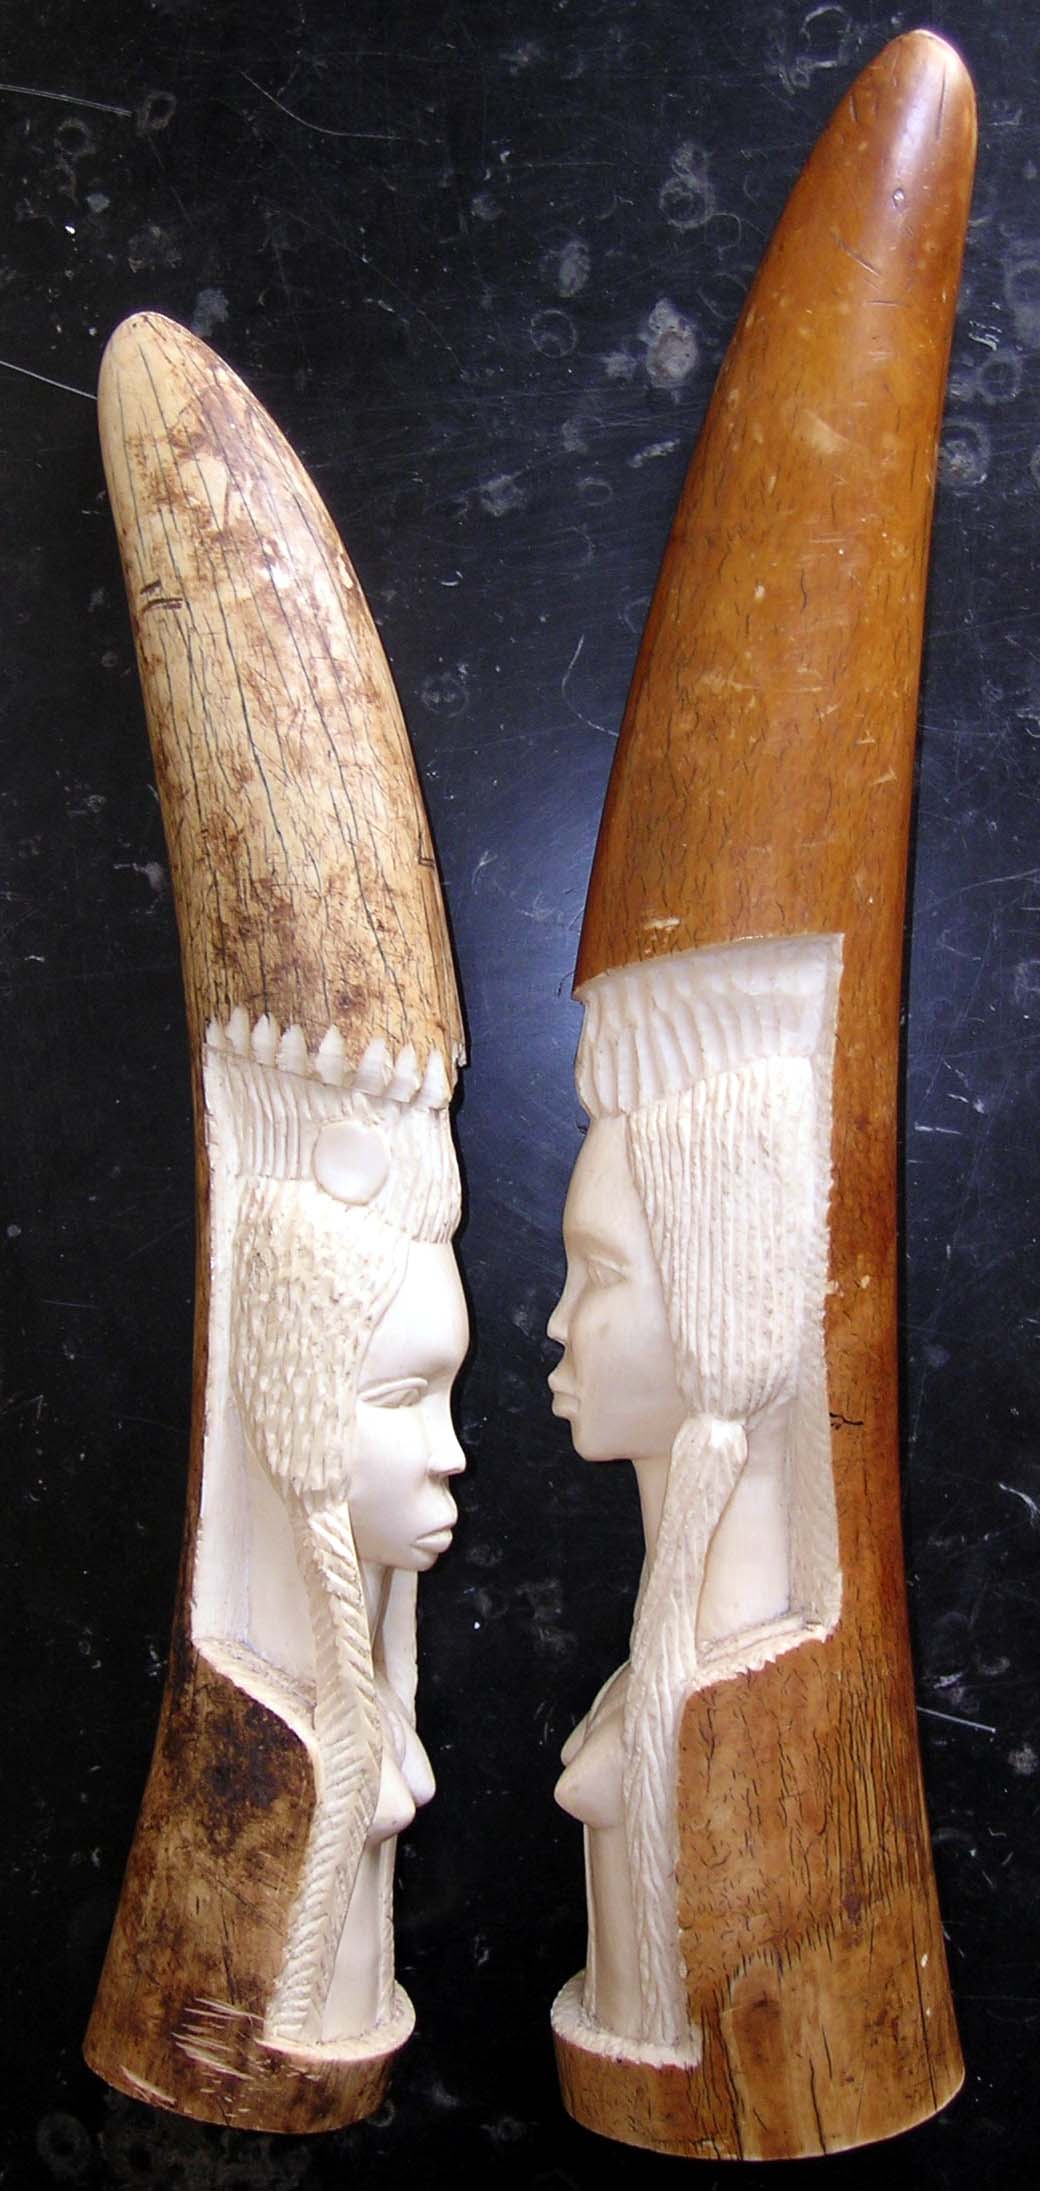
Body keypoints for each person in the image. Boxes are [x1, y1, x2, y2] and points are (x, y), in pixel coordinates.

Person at [549, 938, 842, 2056]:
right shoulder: (691, 1653)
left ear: (719, 1299)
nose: (557, 1320)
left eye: (599, 1272)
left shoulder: (747, 1684)